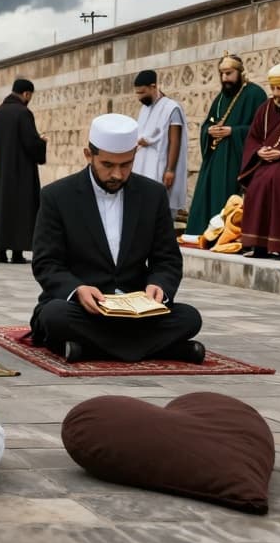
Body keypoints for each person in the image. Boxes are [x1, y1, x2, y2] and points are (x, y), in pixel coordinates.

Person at [31, 114, 204, 363]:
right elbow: (47, 263)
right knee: (54, 316)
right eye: (108, 165)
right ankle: (165, 350)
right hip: (83, 309)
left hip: (137, 311)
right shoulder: (56, 196)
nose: (118, 174)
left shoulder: (152, 195)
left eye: (126, 165)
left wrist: (160, 288)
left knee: (189, 317)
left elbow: (166, 259)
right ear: (88, 155)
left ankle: (88, 350)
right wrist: (77, 290)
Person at [183, 54, 267, 240]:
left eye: (229, 73)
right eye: (222, 74)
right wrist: (209, 130)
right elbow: (206, 124)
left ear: (240, 72)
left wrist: (233, 131)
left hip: (238, 160)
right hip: (216, 160)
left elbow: (262, 129)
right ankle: (206, 233)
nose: (224, 78)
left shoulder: (255, 94)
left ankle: (228, 236)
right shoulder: (220, 98)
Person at [0, 78, 48, 264]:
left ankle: (0, 252)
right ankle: (17, 253)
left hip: (0, 172)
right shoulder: (23, 113)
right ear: (26, 94)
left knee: (1, 208)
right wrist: (41, 143)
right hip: (21, 174)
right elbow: (30, 142)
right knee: (21, 210)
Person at [237, 64, 280, 258]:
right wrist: (258, 151)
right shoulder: (265, 108)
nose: (275, 94)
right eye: (273, 88)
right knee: (257, 182)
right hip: (264, 162)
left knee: (279, 178)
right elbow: (253, 137)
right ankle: (258, 245)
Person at [132, 70, 189, 219]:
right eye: (137, 93)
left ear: (153, 86)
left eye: (142, 92)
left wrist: (170, 170)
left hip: (161, 165)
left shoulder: (171, 108)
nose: (139, 97)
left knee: (160, 212)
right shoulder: (145, 108)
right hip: (143, 165)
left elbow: (175, 140)